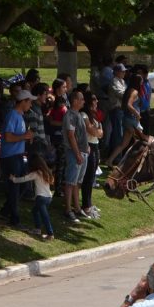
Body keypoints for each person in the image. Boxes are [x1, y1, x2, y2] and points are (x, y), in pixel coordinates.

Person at [0, 90, 35, 227]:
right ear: (23, 101)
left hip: (18, 155)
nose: (30, 104)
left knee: (23, 185)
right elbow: (7, 137)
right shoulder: (13, 116)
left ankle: (6, 210)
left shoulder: (20, 116)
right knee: (15, 187)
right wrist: (24, 137)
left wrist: (26, 137)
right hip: (10, 157)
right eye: (29, 101)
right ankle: (14, 218)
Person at [10, 153, 56, 240]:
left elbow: (24, 179)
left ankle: (50, 233)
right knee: (35, 211)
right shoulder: (47, 172)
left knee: (44, 216)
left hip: (41, 198)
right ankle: (38, 229)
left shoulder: (36, 173)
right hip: (49, 197)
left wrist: (13, 179)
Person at [61, 90, 89, 222]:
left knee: (77, 182)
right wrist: (77, 153)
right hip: (74, 152)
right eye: (81, 99)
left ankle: (77, 208)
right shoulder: (70, 115)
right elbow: (71, 135)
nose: (84, 101)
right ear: (75, 101)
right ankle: (67, 209)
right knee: (70, 181)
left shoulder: (78, 114)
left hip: (82, 152)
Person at [107, 74, 145, 167]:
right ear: (138, 82)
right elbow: (129, 104)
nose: (142, 82)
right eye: (141, 80)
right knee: (143, 141)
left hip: (127, 119)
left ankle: (109, 160)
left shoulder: (129, 90)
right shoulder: (134, 92)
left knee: (124, 144)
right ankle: (138, 162)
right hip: (132, 120)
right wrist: (137, 114)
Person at [79, 92, 104, 220]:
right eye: (94, 100)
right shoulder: (84, 115)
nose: (97, 102)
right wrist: (97, 132)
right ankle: (85, 205)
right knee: (88, 177)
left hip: (95, 145)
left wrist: (97, 131)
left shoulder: (94, 115)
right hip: (89, 146)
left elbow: (100, 132)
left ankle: (89, 203)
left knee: (92, 176)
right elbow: (92, 130)